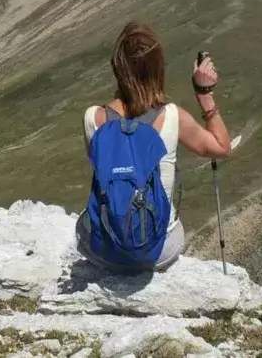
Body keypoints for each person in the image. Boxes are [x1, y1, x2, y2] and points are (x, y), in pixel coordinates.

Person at [75, 21, 234, 273]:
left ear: (117, 67)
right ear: (159, 68)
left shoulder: (93, 118)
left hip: (106, 251)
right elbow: (222, 148)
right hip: (158, 251)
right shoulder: (172, 116)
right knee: (171, 225)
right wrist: (205, 94)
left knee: (83, 222)